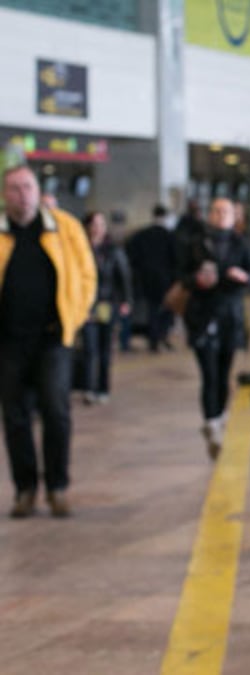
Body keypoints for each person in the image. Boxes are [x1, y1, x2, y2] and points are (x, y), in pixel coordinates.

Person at [0, 165, 96, 518]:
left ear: (38, 192)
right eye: (13, 188)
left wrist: (76, 313)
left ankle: (58, 486)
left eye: (27, 187)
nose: (21, 194)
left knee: (56, 413)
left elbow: (87, 274)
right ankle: (25, 489)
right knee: (14, 417)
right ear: (4, 194)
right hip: (9, 343)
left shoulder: (64, 227)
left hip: (53, 340)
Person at [178, 197, 250, 460]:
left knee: (224, 372)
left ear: (233, 215)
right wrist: (196, 280)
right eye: (215, 211)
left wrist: (244, 277)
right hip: (202, 316)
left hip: (230, 315)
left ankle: (220, 416)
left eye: (225, 211)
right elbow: (180, 276)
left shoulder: (242, 244)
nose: (219, 215)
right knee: (209, 373)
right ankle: (212, 423)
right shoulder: (194, 242)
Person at [79, 211, 132, 404]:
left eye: (101, 224)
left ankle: (103, 387)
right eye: (93, 224)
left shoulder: (113, 250)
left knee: (104, 347)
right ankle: (88, 387)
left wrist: (125, 301)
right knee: (89, 348)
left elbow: (123, 276)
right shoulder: (79, 248)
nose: (97, 228)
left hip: (105, 304)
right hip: (85, 305)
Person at [126, 205, 178, 352]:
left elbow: (131, 254)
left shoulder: (142, 235)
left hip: (147, 279)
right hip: (166, 279)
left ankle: (154, 339)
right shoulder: (169, 236)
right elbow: (176, 258)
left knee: (152, 309)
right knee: (167, 309)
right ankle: (161, 335)